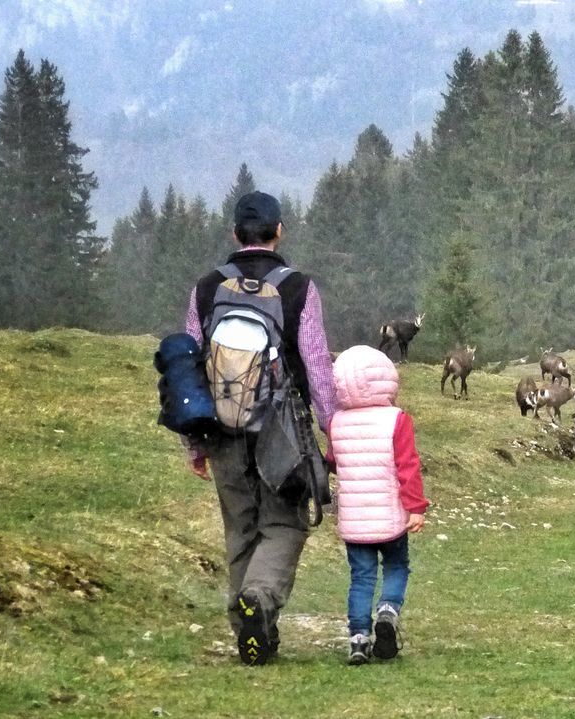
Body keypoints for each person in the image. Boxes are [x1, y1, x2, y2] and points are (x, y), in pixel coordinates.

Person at [184, 191, 336, 665]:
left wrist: (194, 443)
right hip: (281, 431)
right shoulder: (299, 288)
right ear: (280, 231)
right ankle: (261, 600)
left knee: (241, 528)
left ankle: (248, 631)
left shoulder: (207, 288)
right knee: (286, 523)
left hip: (221, 429)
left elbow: (188, 366)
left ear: (235, 235)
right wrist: (333, 431)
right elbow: (316, 365)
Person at [328, 345, 429, 665]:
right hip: (390, 518)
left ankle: (358, 639)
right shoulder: (397, 420)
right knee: (397, 566)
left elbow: (334, 461)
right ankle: (387, 611)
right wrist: (415, 507)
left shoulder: (336, 422)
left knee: (361, 578)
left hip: (355, 522)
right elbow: (407, 466)